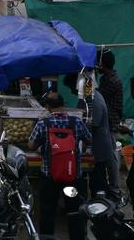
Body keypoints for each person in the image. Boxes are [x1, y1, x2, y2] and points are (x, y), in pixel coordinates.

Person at [29, 91, 91, 240]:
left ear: (49, 107)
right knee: (74, 211)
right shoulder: (76, 122)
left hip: (50, 179)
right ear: (63, 104)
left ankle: (47, 237)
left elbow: (31, 145)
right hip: (72, 179)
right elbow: (89, 138)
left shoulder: (43, 124)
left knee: (47, 211)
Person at [98, 50, 124, 133]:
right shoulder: (106, 78)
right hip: (108, 121)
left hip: (111, 123)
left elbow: (96, 96)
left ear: (102, 64)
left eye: (97, 63)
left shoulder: (112, 81)